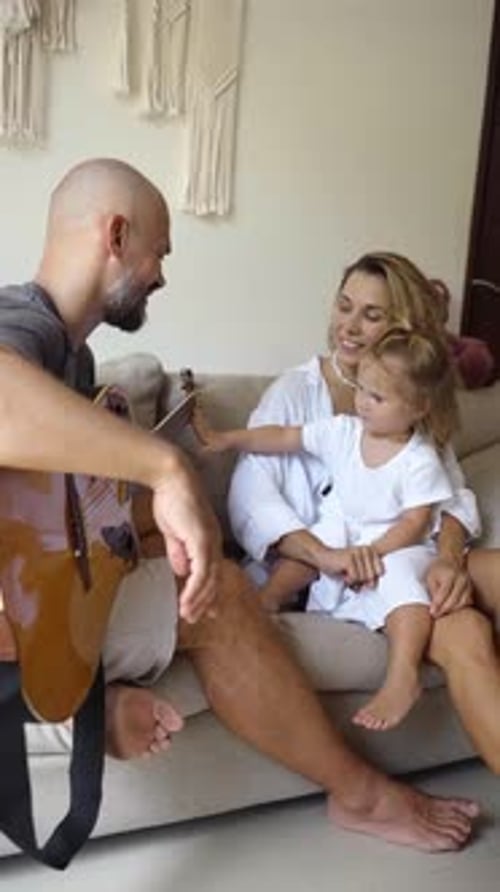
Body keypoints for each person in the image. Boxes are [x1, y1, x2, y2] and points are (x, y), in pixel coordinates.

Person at [0, 166, 480, 853]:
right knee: (218, 591)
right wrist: (163, 468)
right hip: (11, 612)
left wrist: (141, 511)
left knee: (189, 561)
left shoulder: (72, 362)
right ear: (115, 235)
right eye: (158, 251)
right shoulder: (21, 321)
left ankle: (94, 690)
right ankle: (362, 794)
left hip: (36, 596)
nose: (161, 273)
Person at [228, 250, 500, 775]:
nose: (349, 327)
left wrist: (447, 558)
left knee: (482, 605)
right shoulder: (296, 392)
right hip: (346, 578)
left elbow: (453, 496)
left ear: (402, 326)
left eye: (371, 315)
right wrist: (328, 556)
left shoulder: (409, 396)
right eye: (345, 306)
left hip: (410, 557)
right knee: (464, 632)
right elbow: (251, 499)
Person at [196, 327, 467, 731]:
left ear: (418, 407)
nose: (363, 403)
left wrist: (374, 552)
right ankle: (267, 601)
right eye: (360, 390)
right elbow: (286, 436)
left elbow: (416, 521)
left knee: (404, 588)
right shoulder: (344, 431)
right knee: (316, 543)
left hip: (395, 540)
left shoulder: (420, 459)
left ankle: (402, 675)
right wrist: (229, 437)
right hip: (345, 526)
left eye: (377, 398)